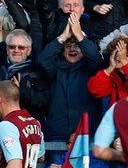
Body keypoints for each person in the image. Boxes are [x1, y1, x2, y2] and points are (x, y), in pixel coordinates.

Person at [37, 11, 102, 141]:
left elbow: (95, 57)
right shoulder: (56, 68)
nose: (72, 49)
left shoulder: (91, 68)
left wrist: (79, 35)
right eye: (68, 46)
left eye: (77, 46)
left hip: (85, 134)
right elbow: (42, 61)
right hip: (58, 133)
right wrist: (63, 36)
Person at [87, 36, 128, 106]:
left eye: (123, 53)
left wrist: (124, 62)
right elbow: (94, 89)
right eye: (116, 52)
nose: (119, 56)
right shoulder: (112, 75)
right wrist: (109, 68)